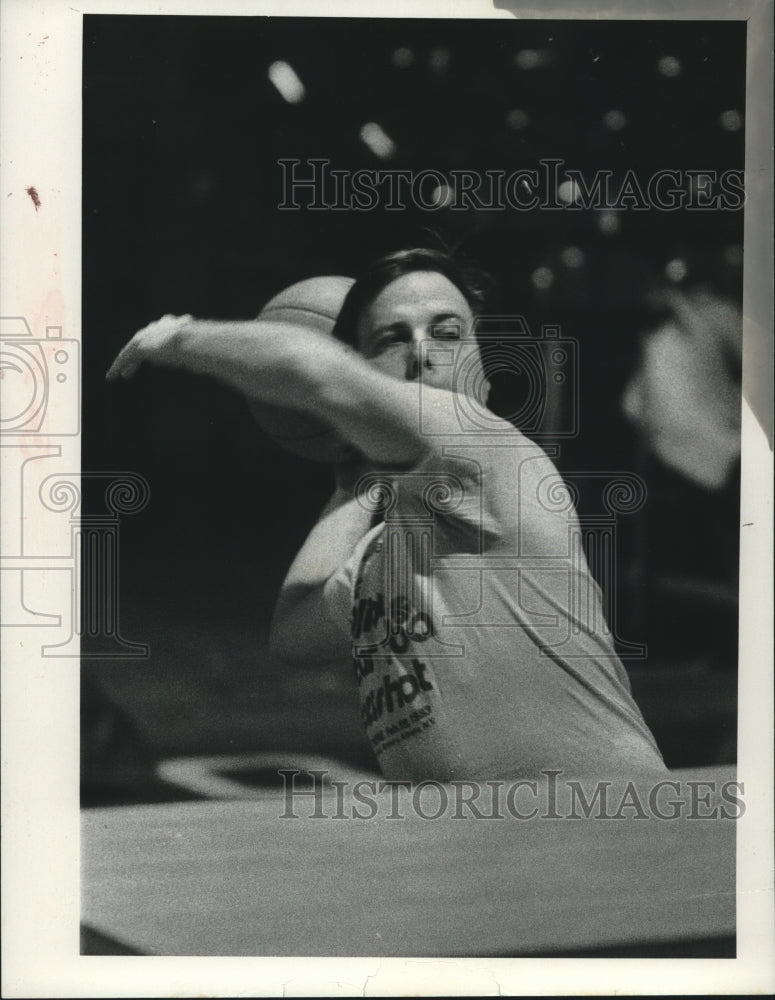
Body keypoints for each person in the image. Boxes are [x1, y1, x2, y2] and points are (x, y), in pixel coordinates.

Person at [108, 247, 666, 781]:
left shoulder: (491, 453)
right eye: (392, 339)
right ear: (368, 368)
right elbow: (294, 635)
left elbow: (316, 373)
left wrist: (178, 337)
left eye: (447, 333)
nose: (422, 352)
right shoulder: (383, 552)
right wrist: (355, 479)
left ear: (483, 368)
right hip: (484, 840)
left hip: (604, 821)